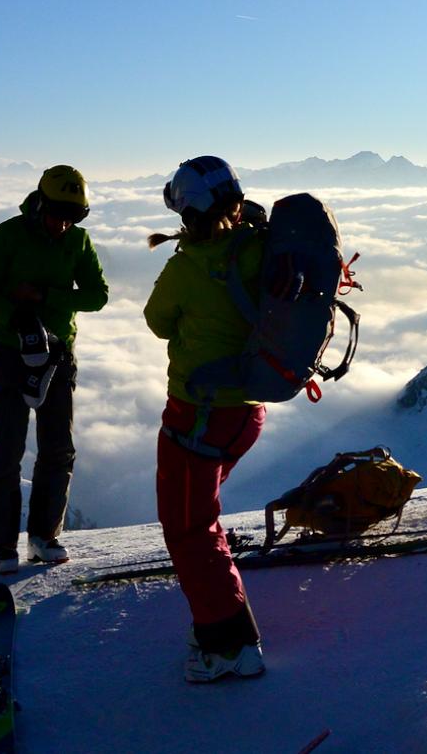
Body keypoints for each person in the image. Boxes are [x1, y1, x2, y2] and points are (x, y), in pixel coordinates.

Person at [143, 155, 267, 683]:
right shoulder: (261, 248)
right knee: (202, 519)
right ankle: (224, 617)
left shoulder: (188, 265)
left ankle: (228, 647)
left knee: (189, 528)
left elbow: (157, 322)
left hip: (198, 416)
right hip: (248, 413)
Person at [0, 165, 109, 574]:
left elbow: (98, 296)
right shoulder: (8, 236)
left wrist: (44, 297)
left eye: (74, 216)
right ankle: (3, 543)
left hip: (57, 356)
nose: (64, 223)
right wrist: (17, 317)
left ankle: (44, 536)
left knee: (57, 448)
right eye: (58, 213)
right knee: (9, 448)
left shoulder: (78, 242)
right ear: (40, 204)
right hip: (11, 354)